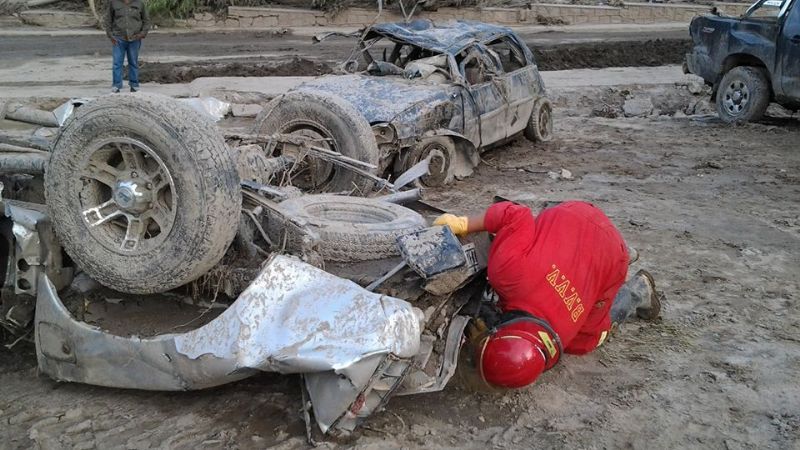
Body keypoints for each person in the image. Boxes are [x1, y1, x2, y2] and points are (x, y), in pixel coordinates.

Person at [434, 201, 661, 389]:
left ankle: (635, 290)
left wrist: (461, 224)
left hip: (605, 250)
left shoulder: (569, 338)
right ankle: (612, 251)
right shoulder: (508, 272)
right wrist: (462, 223)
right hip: (579, 220)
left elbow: (517, 213)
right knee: (589, 334)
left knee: (592, 337)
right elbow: (516, 214)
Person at [103, 0, 151, 93]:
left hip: (135, 38)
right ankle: (116, 86)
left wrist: (142, 34)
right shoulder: (114, 3)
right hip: (118, 38)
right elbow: (108, 20)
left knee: (133, 62)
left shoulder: (139, 4)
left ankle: (134, 86)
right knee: (117, 63)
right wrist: (110, 35)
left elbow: (146, 20)